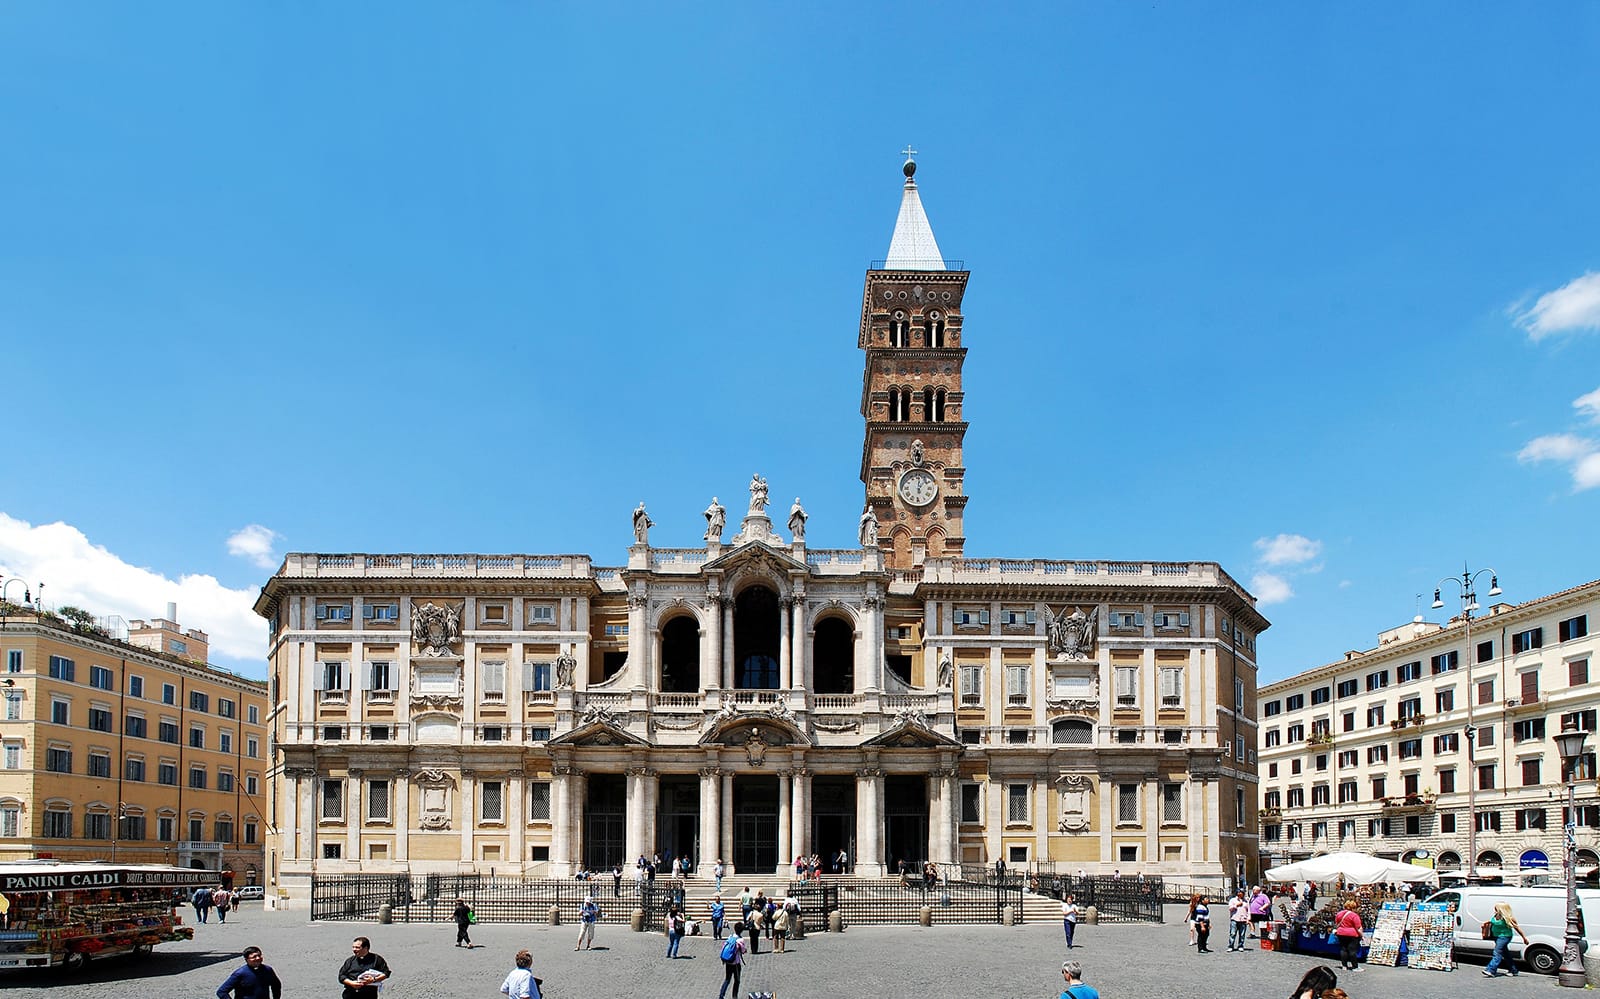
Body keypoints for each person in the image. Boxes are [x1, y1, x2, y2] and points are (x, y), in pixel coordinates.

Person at [216, 945, 283, 999]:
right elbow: (222, 991)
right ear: (247, 960)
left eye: (259, 955)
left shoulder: (268, 970)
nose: (258, 958)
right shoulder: (240, 973)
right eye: (254, 957)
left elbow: (276, 985)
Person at [1484, 901, 1530, 977]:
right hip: (1496, 936)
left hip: (1505, 937)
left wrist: (1524, 938)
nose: (1494, 909)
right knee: (1506, 954)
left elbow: (1517, 928)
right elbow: (1493, 923)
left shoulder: (1509, 918)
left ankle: (1491, 970)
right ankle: (1513, 970)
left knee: (1497, 952)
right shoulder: (1496, 915)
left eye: (1496, 908)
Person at [718, 922, 749, 999]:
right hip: (736, 963)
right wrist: (745, 950)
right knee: (737, 980)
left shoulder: (730, 936)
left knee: (727, 979)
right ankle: (734, 996)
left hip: (728, 962)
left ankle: (721, 995)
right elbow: (743, 950)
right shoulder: (740, 940)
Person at [1332, 899, 1363, 971]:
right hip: (1352, 934)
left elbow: (1336, 923)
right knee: (1352, 950)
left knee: (1343, 949)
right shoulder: (1354, 915)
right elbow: (1358, 927)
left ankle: (1344, 966)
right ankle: (1355, 966)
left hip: (1341, 933)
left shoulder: (1339, 914)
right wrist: (1361, 935)